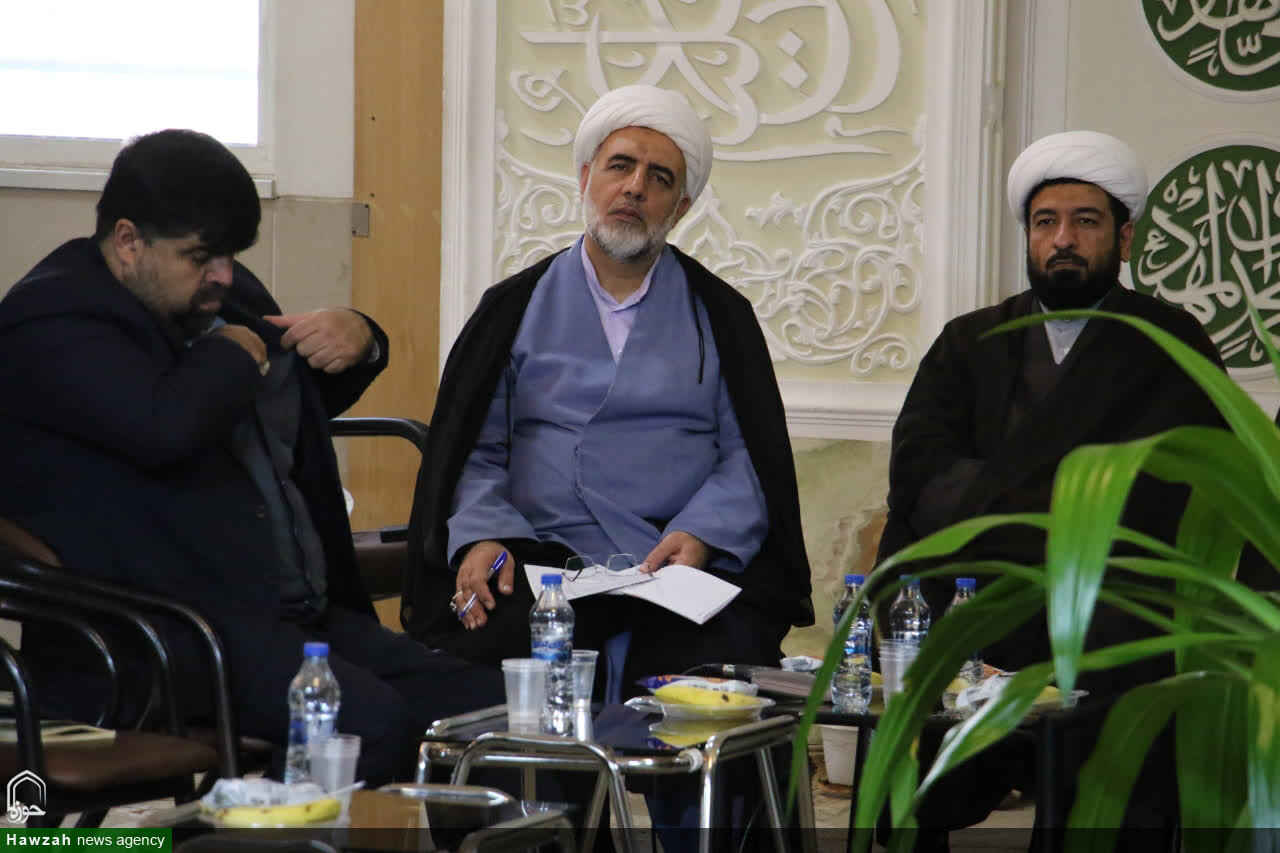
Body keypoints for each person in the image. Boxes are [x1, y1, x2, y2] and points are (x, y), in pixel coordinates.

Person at [0, 129, 502, 786]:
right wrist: (232, 351)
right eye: (201, 256)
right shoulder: (52, 320)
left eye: (231, 255)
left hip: (270, 613)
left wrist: (361, 336)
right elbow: (165, 425)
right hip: (151, 635)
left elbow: (289, 398)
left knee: (485, 706)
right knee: (369, 722)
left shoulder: (216, 298)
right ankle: (273, 828)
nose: (224, 275)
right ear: (127, 242)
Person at [873, 131, 1230, 850]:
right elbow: (921, 469)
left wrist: (1043, 522)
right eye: (1045, 222)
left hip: (1107, 593)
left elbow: (1182, 487)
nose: (1063, 239)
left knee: (1125, 639)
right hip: (983, 585)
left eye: (1085, 221)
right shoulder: (969, 341)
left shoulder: (1171, 343)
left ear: (1124, 238)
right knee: (930, 611)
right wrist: (1050, 517)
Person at [401, 85, 813, 694]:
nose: (635, 187)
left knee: (719, 662)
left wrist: (702, 534)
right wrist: (485, 534)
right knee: (486, 642)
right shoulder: (512, 309)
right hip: (541, 552)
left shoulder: (722, 316)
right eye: (620, 166)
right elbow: (476, 451)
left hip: (673, 556)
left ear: (681, 207)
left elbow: (748, 455)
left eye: (660, 178)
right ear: (586, 177)